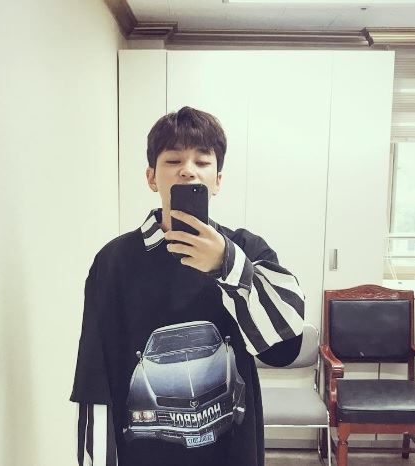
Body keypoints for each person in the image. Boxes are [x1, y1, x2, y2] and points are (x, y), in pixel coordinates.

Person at [70, 106, 305, 466]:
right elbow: (94, 375)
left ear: (218, 180)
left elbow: (285, 347)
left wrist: (226, 264)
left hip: (231, 453)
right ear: (152, 177)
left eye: (202, 161)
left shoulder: (247, 249)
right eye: (173, 160)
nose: (188, 169)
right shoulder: (114, 261)